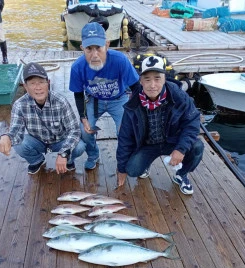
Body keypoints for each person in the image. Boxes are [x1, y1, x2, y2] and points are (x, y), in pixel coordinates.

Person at [116, 55, 204, 195]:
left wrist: (181, 149)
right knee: (132, 170)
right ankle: (146, 164)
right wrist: (121, 169)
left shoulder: (178, 96)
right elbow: (125, 138)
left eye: (157, 78)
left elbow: (192, 122)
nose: (152, 85)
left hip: (173, 142)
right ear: (141, 81)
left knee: (197, 146)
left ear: (164, 78)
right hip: (148, 145)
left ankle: (181, 174)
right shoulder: (132, 105)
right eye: (147, 79)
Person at [69, 22, 139, 170]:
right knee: (85, 131)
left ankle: (124, 158)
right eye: (89, 49)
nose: (94, 55)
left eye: (98, 48)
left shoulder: (120, 60)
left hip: (119, 99)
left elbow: (136, 87)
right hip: (94, 100)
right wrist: (83, 118)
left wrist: (133, 112)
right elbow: (78, 94)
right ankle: (93, 155)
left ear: (107, 45)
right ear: (82, 48)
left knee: (125, 130)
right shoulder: (77, 67)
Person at [0, 62, 86, 175]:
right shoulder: (19, 105)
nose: (38, 87)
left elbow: (74, 130)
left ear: (48, 83)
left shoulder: (61, 101)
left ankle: (68, 159)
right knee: (18, 143)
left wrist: (64, 153)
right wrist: (6, 137)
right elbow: (15, 131)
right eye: (32, 83)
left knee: (79, 146)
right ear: (25, 86)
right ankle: (36, 160)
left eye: (41, 82)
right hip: (37, 141)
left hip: (60, 141)